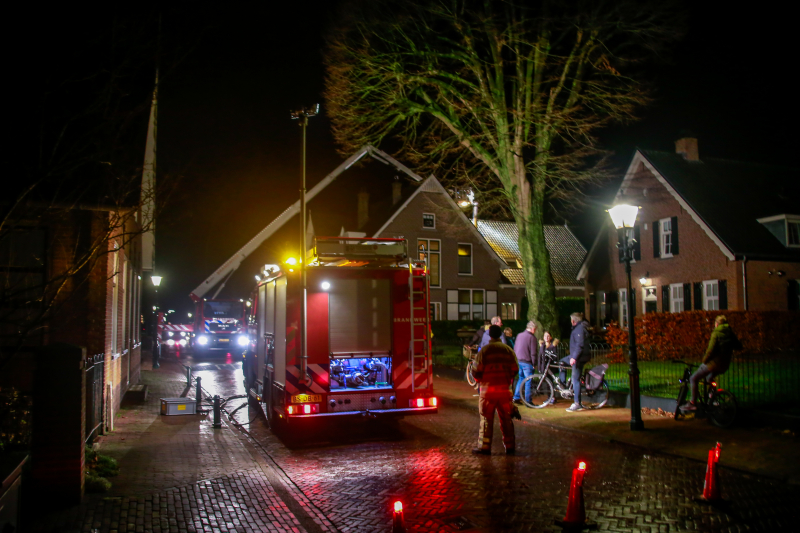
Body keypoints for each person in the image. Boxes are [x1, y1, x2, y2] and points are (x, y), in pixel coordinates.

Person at [472, 325, 518, 455]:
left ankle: (484, 447)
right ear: (500, 335)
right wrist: (506, 380)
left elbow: (475, 371)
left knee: (486, 420)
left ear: (490, 335)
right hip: (504, 392)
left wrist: (481, 382)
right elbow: (515, 369)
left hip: (488, 392)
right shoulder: (508, 350)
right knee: (506, 419)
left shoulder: (484, 351)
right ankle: (510, 446)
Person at [683, 315, 741, 411]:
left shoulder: (716, 333)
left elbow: (710, 350)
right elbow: (739, 346)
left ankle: (692, 403)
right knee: (709, 378)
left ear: (717, 324)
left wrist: (704, 360)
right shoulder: (730, 333)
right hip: (724, 364)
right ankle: (713, 398)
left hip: (713, 363)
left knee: (693, 378)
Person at [561, 312, 591, 412]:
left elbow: (580, 345)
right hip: (576, 355)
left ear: (573, 321)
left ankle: (577, 403)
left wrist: (574, 357)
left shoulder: (579, 329)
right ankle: (563, 384)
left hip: (579, 357)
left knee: (575, 379)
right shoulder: (578, 328)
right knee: (561, 362)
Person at [512, 321, 537, 405]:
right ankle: (528, 401)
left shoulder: (519, 335)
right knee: (528, 381)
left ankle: (516, 397)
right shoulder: (532, 337)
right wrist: (534, 363)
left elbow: (515, 348)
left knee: (521, 378)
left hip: (519, 360)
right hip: (527, 361)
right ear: (533, 329)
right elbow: (533, 352)